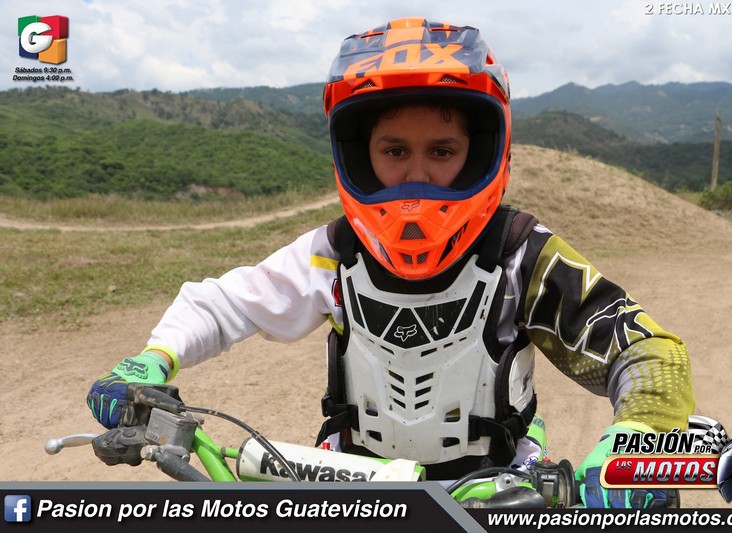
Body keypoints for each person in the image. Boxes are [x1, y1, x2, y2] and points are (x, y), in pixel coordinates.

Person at [87, 17, 695, 508]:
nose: (416, 175)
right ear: (360, 155)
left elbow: (647, 352)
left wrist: (636, 443)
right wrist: (151, 360)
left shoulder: (519, 254)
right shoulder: (335, 252)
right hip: (355, 483)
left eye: (443, 151)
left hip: (504, 488)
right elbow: (221, 305)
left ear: (483, 152)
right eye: (394, 150)